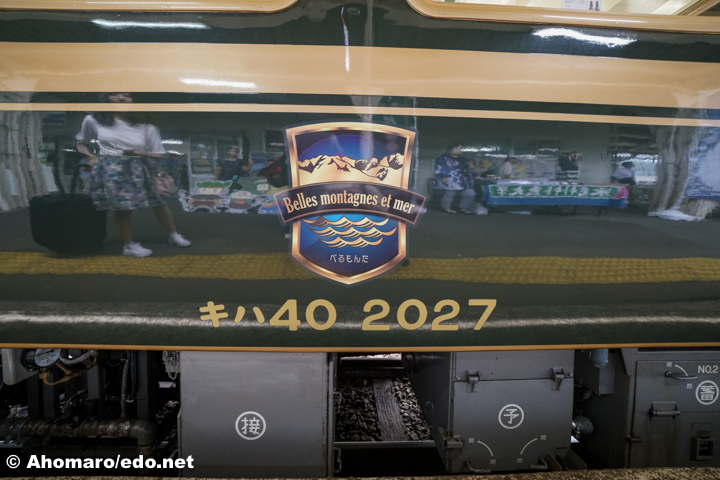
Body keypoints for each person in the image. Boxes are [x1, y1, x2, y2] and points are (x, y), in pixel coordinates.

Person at [76, 92, 191, 257]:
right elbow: (82, 142)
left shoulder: (146, 127)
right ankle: (128, 245)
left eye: (127, 95)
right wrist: (92, 157)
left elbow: (159, 154)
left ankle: (174, 235)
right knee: (123, 207)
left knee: (158, 202)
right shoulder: (93, 120)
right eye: (114, 94)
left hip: (140, 166)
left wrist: (141, 153)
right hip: (112, 168)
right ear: (106, 98)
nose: (120, 98)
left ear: (135, 100)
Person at [434, 142, 476, 214]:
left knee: (470, 193)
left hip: (465, 179)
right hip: (451, 178)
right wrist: (443, 176)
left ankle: (463, 208)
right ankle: (446, 208)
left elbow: (469, 169)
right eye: (457, 148)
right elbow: (440, 168)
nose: (459, 150)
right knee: (450, 193)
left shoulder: (464, 159)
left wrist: (475, 175)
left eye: (460, 148)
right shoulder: (444, 158)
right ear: (451, 149)